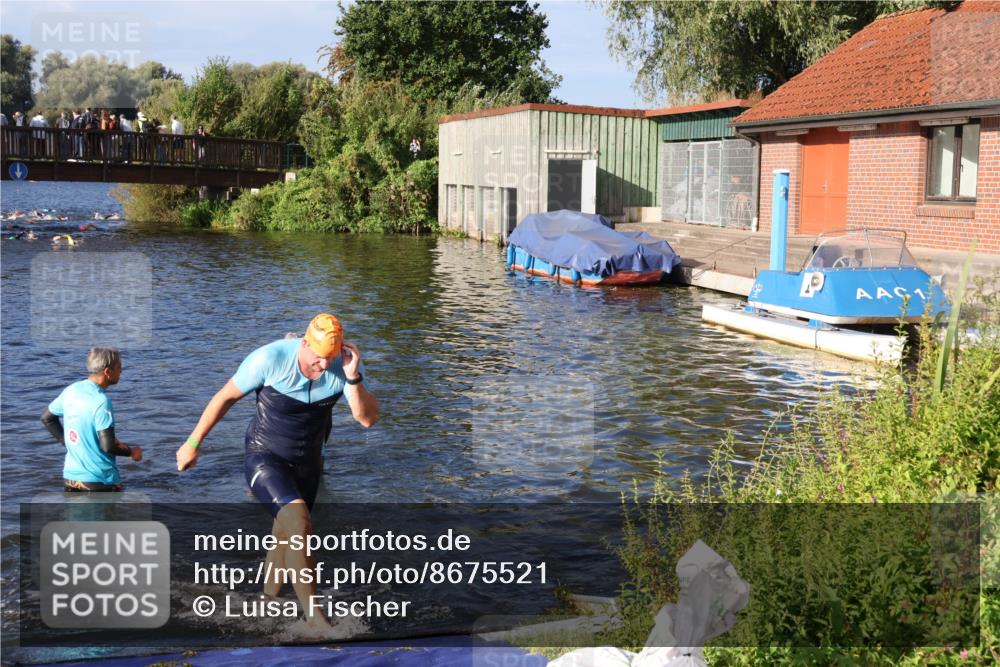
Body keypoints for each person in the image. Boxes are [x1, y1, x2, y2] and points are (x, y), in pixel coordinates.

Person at [175, 314, 379, 635]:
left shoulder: (341, 367)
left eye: (330, 358)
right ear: (304, 343)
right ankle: (315, 617)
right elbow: (224, 398)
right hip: (264, 457)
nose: (323, 366)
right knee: (298, 524)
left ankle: (267, 604)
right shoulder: (269, 359)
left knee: (284, 537)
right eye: (317, 358)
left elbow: (367, 419)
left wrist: (353, 378)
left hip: (308, 465)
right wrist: (192, 443)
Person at [40, 348, 143, 492]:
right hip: (100, 481)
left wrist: (68, 442)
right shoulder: (101, 401)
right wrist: (132, 452)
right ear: (107, 372)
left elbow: (47, 418)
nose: (121, 371)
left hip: (71, 479)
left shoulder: (72, 390)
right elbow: (108, 446)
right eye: (119, 367)